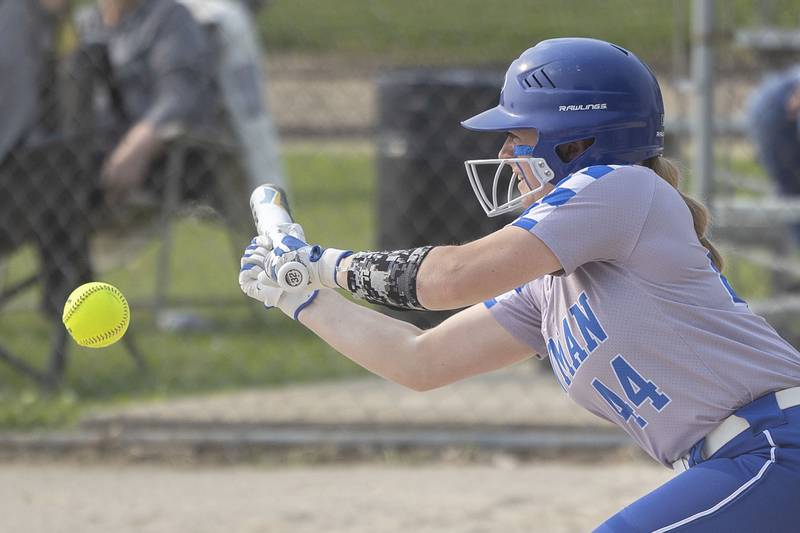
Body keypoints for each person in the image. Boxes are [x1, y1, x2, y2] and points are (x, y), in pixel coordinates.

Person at [240, 38, 800, 532]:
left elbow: (447, 280)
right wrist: (301, 297)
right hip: (739, 465)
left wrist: (322, 262)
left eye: (519, 134)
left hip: (774, 450)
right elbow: (419, 360)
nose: (506, 153)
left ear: (578, 141)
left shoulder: (622, 187)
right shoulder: (548, 289)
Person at [0, 0, 92, 318]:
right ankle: (66, 299)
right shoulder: (14, 20)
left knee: (59, 162)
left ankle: (64, 300)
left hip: (30, 182)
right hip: (17, 185)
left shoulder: (47, 23)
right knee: (59, 164)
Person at [746, 66, 800, 242]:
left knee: (788, 189)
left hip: (766, 113)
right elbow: (794, 102)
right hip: (772, 120)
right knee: (789, 188)